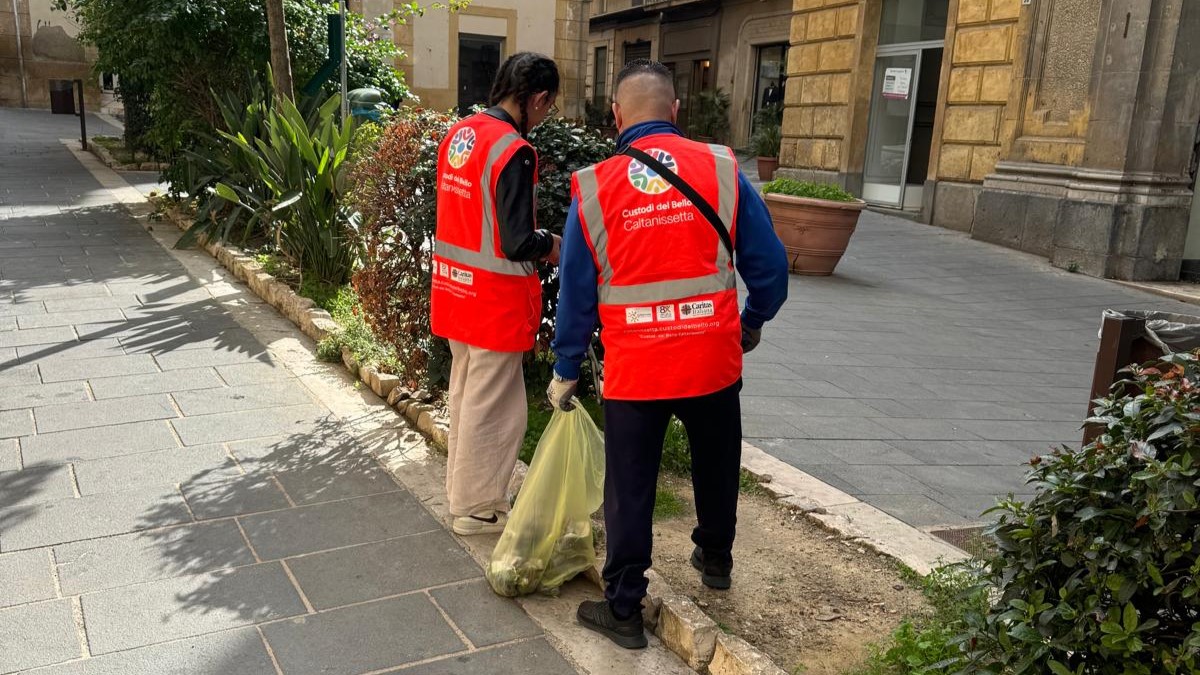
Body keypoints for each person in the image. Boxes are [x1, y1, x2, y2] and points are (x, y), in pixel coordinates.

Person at [547, 59, 789, 648]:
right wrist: (749, 323)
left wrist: (564, 367)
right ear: (676, 111)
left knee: (630, 487)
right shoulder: (723, 169)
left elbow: (577, 291)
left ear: (616, 115)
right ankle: (715, 560)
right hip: (711, 357)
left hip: (638, 368)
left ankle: (624, 610)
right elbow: (773, 270)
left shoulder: (595, 187)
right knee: (714, 461)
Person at [431, 52, 562, 536]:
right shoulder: (514, 149)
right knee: (496, 412)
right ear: (538, 98)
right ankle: (478, 507)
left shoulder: (459, 134)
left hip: (454, 293)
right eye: (547, 108)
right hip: (492, 303)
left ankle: (461, 496)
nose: (545, 118)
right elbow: (514, 242)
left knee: (466, 397)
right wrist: (553, 245)